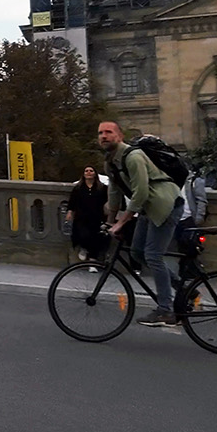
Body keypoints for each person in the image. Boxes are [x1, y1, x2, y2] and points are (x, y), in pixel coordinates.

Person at [99, 121, 185, 327]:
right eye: (100, 133)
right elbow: (114, 192)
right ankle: (185, 290)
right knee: (137, 253)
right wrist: (110, 222)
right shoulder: (110, 161)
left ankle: (166, 310)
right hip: (149, 208)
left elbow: (141, 192)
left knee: (153, 255)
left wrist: (122, 222)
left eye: (109, 132)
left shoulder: (134, 156)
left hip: (166, 205)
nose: (103, 136)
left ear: (119, 136)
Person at [65, 166, 109, 264]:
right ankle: (83, 248)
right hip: (81, 217)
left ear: (95, 174)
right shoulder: (78, 188)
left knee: (95, 238)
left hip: (97, 217)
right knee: (83, 234)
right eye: (86, 171)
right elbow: (72, 201)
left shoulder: (102, 188)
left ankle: (93, 261)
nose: (89, 172)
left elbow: (107, 201)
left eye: (91, 171)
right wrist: (69, 212)